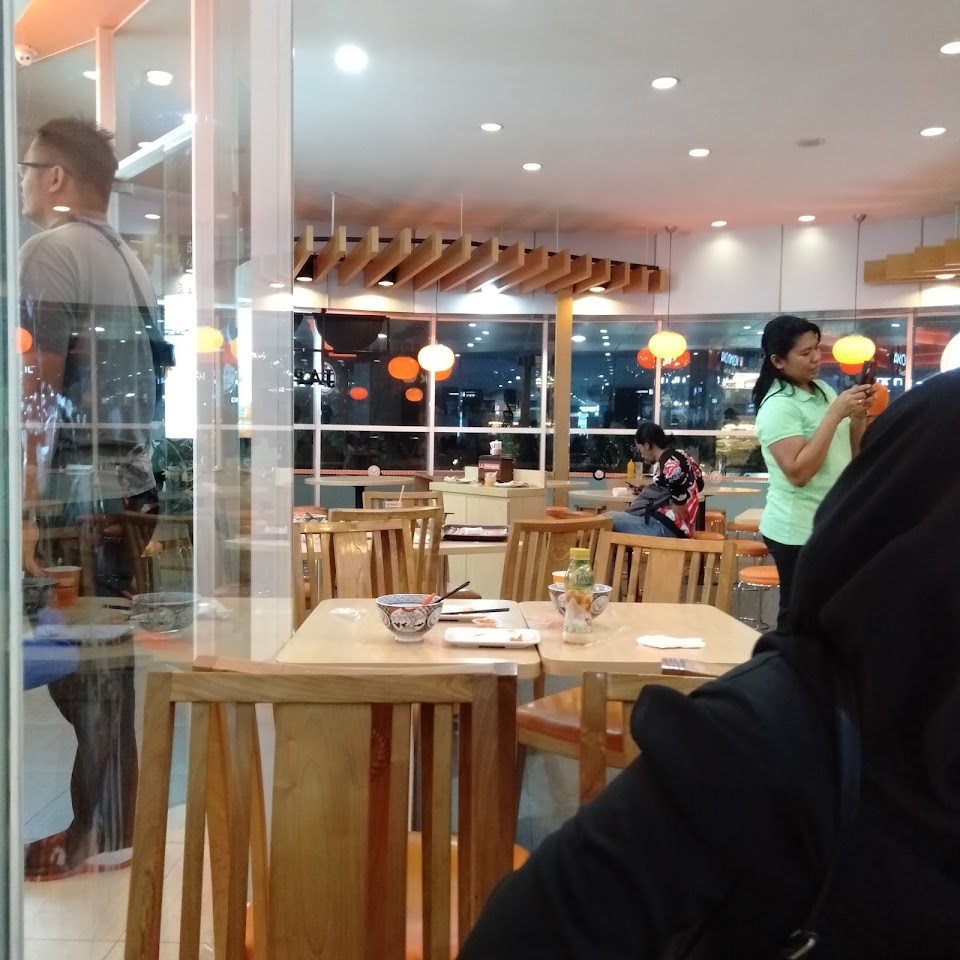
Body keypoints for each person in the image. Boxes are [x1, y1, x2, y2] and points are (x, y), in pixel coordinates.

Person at [459, 370, 960, 959]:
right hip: (689, 540)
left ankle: (621, 570)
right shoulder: (777, 735)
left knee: (612, 524)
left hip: (671, 533)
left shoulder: (766, 731)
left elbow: (654, 503)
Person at [19, 118, 159, 879]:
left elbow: (39, 391)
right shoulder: (128, 262)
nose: (22, 180)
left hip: (79, 489)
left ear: (56, 177)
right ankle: (109, 823)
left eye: (27, 167)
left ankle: (98, 829)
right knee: (102, 668)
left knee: (84, 672)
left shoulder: (52, 252)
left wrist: (25, 506)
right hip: (127, 487)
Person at [752, 316, 872, 629]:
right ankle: (783, 660)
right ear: (778, 361)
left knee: (831, 612)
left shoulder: (822, 390)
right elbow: (798, 473)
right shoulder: (778, 406)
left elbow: (853, 453)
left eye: (817, 348)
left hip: (830, 521)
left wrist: (858, 415)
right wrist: (835, 415)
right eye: (805, 353)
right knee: (799, 616)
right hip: (796, 528)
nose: (816, 357)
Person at [607, 422, 704, 538]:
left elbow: (675, 473)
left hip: (665, 526)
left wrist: (679, 502)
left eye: (640, 450)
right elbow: (700, 482)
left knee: (605, 519)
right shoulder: (682, 455)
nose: (642, 456)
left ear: (647, 445)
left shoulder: (667, 459)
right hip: (682, 528)